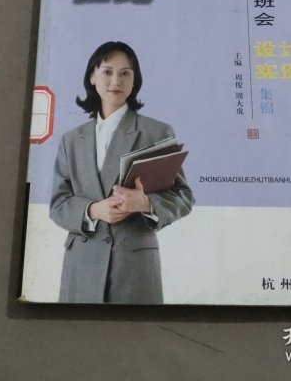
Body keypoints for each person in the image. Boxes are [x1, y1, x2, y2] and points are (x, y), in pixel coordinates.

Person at [49, 41, 193, 304]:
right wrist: (93, 210)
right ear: (92, 77)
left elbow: (183, 197)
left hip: (133, 269)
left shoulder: (156, 132)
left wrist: (145, 203)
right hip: (81, 267)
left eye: (125, 73)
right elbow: (58, 204)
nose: (116, 81)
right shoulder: (71, 140)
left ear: (134, 80)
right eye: (107, 72)